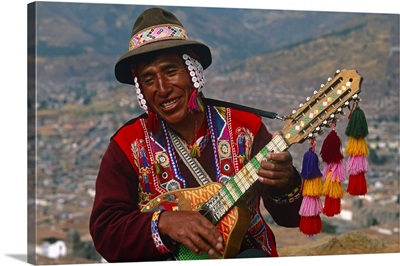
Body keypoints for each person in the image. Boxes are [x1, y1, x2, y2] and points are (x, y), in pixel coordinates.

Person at [89, 7, 303, 262]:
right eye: (148, 79)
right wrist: (165, 223)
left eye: (171, 71)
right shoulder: (127, 145)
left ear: (192, 72)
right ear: (141, 91)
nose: (163, 88)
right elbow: (106, 232)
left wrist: (287, 181)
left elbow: (292, 218)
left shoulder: (246, 129)